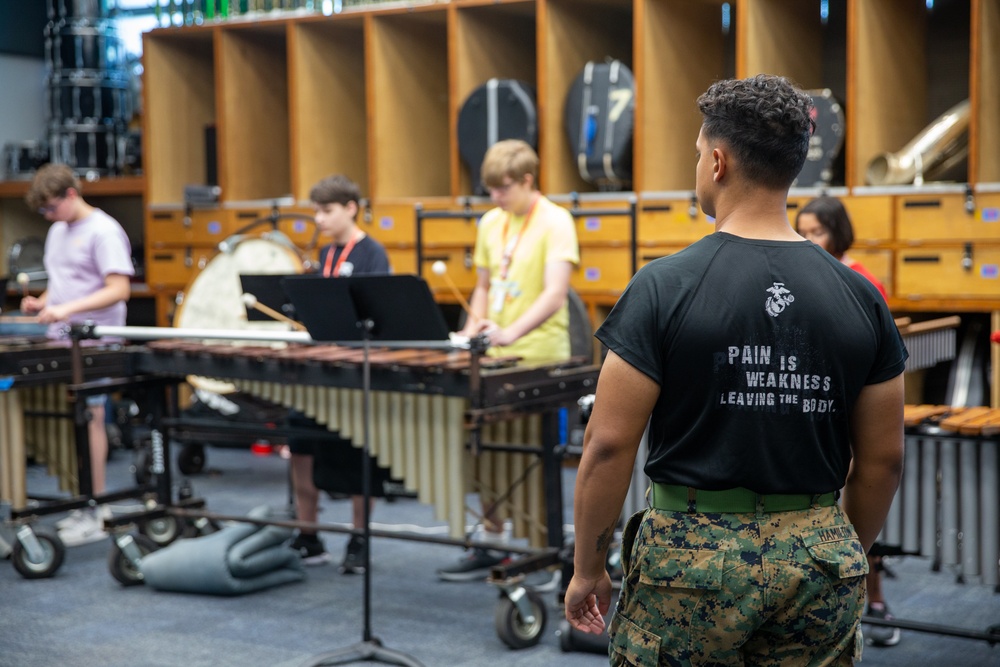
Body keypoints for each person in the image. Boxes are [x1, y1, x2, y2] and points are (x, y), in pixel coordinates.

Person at [564, 74, 907, 665]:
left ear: (717, 162)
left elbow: (608, 444)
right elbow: (884, 459)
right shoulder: (860, 296)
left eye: (698, 154)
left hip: (688, 560)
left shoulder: (662, 287)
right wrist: (832, 546)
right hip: (820, 555)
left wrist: (587, 568)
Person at [436, 139, 580, 581]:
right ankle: (492, 542)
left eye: (503, 189)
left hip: (538, 357)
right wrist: (471, 328)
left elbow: (556, 295)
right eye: (491, 190)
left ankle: (545, 545)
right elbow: (482, 286)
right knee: (482, 449)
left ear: (527, 181)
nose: (496, 198)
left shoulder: (557, 222)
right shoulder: (489, 222)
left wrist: (512, 332)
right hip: (493, 356)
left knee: (535, 454)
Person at [796, 195, 900, 647]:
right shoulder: (798, 276)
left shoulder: (861, 284)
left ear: (838, 233)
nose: (806, 241)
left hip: (852, 413)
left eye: (815, 232)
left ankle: (872, 595)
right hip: (813, 412)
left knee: (864, 497)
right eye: (800, 232)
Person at [21, 163, 134, 547]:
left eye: (51, 207)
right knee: (66, 420)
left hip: (96, 344)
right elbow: (63, 284)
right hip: (60, 341)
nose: (48, 216)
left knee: (92, 418)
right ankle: (80, 498)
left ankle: (97, 507)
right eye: (43, 212)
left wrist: (68, 310)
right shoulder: (57, 231)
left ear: (71, 194)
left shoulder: (103, 231)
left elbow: (119, 289)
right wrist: (44, 303)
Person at [286, 174, 391, 572]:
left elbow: (379, 318)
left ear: (350, 207)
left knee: (357, 455)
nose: (318, 219)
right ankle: (308, 534)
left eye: (326, 210)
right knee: (300, 448)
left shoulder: (371, 254)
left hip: (355, 374)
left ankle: (359, 538)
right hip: (317, 371)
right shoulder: (326, 255)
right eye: (315, 210)